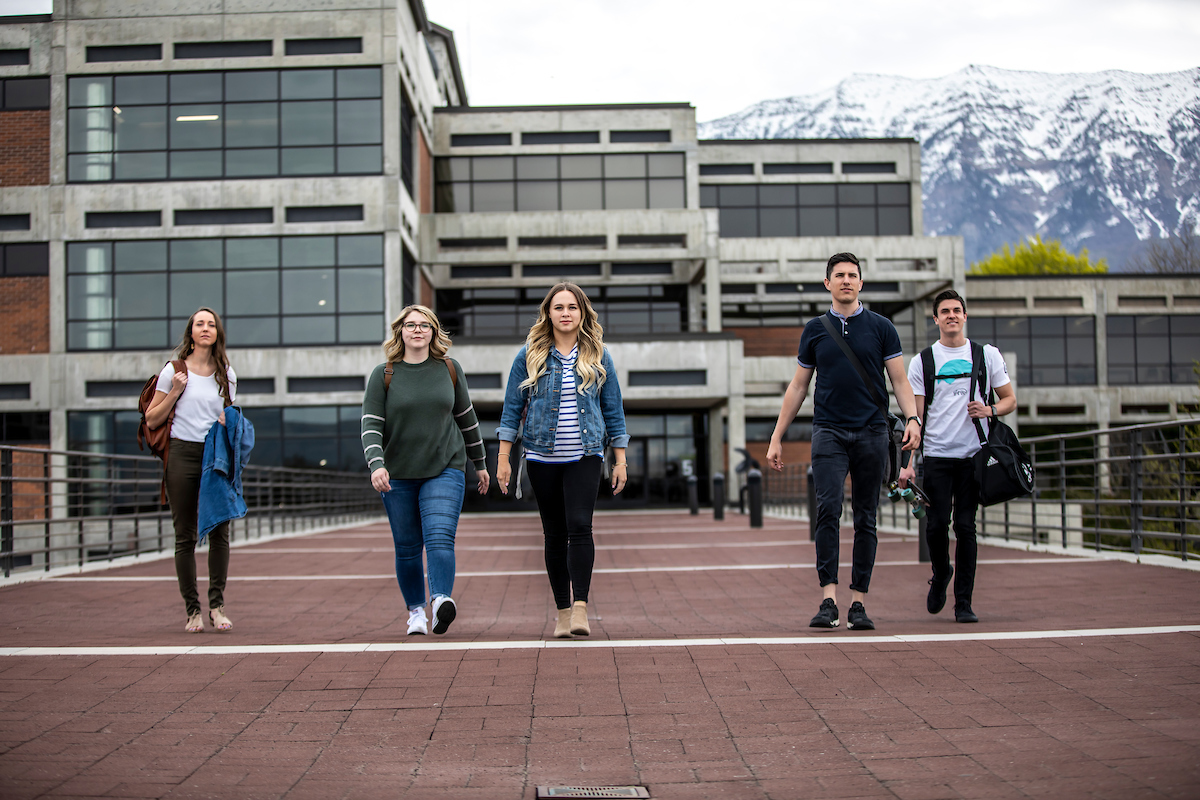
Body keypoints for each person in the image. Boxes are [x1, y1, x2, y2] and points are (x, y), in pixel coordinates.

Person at [766, 253, 922, 631]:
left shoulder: (882, 327)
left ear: (861, 283)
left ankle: (859, 603)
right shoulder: (815, 330)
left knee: (867, 516)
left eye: (853, 275)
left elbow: (900, 381)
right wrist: (776, 437)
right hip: (829, 432)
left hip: (872, 432)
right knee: (828, 511)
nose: (846, 281)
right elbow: (799, 386)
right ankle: (828, 600)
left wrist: (914, 419)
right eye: (839, 276)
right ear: (828, 284)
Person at [495, 282, 629, 639]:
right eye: (559, 307)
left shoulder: (599, 355)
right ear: (548, 313)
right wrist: (504, 458)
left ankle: (582, 607)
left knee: (579, 525)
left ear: (582, 313)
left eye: (572, 307)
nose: (566, 313)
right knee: (553, 534)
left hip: (585, 454)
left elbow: (614, 412)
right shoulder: (529, 356)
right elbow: (511, 411)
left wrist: (620, 461)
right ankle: (562, 611)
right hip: (541, 457)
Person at [362, 305, 489, 636]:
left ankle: (441, 600)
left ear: (434, 332)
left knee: (440, 536)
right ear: (400, 332)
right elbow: (371, 426)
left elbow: (466, 418)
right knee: (406, 547)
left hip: (445, 466)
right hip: (398, 473)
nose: (417, 330)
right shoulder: (384, 374)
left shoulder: (449, 368)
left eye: (424, 325)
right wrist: (377, 464)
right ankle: (416, 610)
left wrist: (480, 463)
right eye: (410, 325)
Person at [898, 289, 1016, 623]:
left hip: (973, 456)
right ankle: (941, 572)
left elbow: (1010, 399)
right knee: (936, 527)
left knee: (966, 527)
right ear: (935, 319)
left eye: (957, 310)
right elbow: (916, 418)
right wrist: (908, 465)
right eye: (945, 311)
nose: (952, 315)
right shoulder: (923, 361)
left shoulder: (986, 355)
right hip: (936, 456)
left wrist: (990, 409)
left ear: (965, 316)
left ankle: (963, 602)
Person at [145, 307, 238, 634]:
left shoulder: (226, 374)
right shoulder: (174, 370)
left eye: (211, 324)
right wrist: (175, 391)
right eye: (200, 323)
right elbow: (152, 419)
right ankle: (192, 611)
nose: (205, 328)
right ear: (191, 331)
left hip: (216, 455)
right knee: (184, 535)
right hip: (182, 453)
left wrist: (230, 422)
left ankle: (217, 606)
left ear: (217, 333)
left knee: (219, 532)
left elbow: (230, 420)